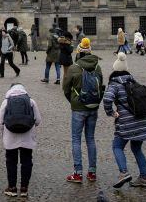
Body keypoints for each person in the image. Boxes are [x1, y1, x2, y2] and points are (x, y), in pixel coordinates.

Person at [103, 53, 146, 189]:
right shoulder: (133, 81)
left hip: (127, 123)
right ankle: (144, 178)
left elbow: (107, 99)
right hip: (142, 121)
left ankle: (124, 172)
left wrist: (111, 113)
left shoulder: (115, 83)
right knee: (137, 148)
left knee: (117, 146)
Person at [63, 38, 102, 184]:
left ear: (79, 53)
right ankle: (92, 172)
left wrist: (73, 102)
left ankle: (78, 173)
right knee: (91, 139)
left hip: (78, 109)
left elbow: (66, 89)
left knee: (76, 140)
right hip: (93, 108)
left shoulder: (74, 68)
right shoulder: (97, 67)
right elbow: (101, 88)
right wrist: (96, 102)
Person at [0, 83, 42, 197]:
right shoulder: (31, 101)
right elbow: (38, 120)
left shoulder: (6, 102)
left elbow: (0, 122)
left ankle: (12, 188)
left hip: (10, 138)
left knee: (11, 162)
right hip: (27, 138)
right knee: (27, 162)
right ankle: (24, 188)